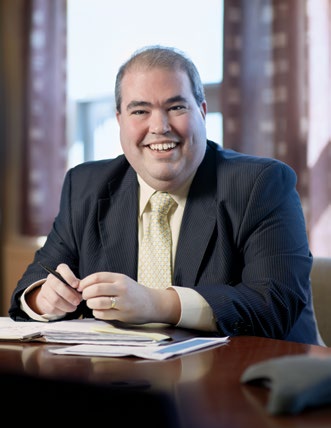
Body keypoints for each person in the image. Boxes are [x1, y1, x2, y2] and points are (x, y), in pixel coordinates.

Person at [9, 45, 323, 345]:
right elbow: (34, 282)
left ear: (202, 111)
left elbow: (274, 305)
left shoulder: (261, 184)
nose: (159, 126)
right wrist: (44, 297)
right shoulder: (86, 185)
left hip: (259, 381)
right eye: (140, 111)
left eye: (175, 107)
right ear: (120, 120)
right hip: (126, 379)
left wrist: (157, 303)